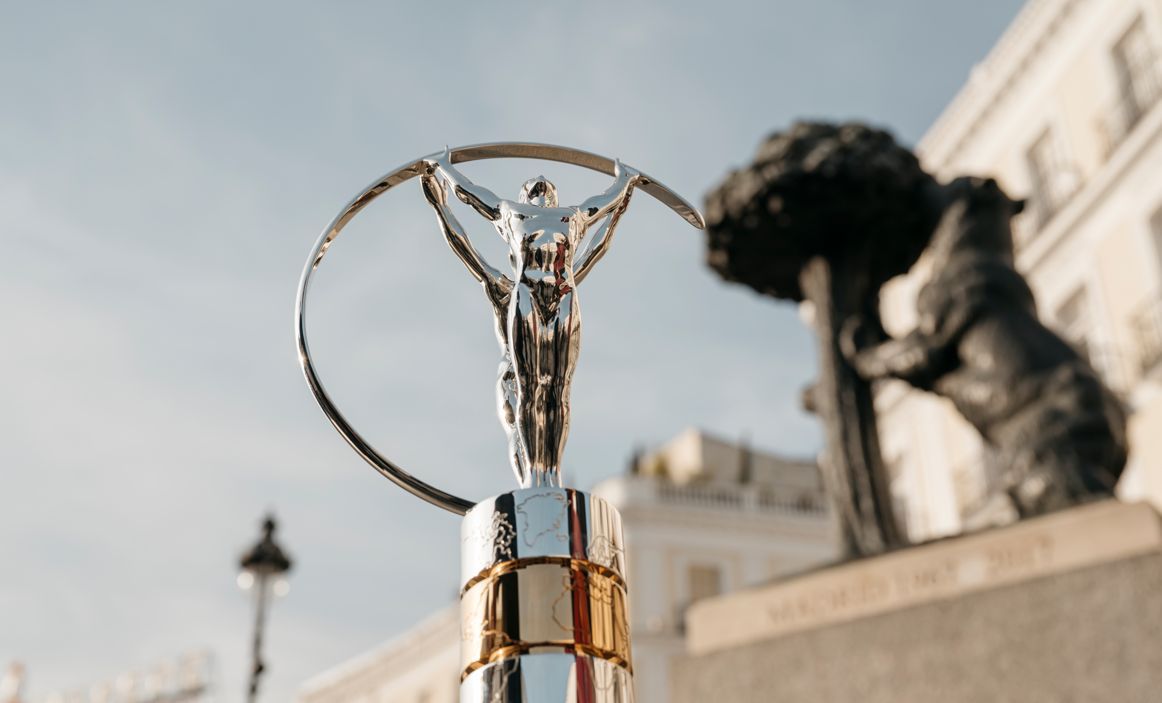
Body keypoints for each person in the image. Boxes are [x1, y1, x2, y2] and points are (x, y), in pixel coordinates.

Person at [422, 149, 638, 487]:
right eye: (532, 186)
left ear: (555, 198)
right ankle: (536, 475)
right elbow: (470, 200)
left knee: (558, 390)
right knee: (531, 390)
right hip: (527, 297)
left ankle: (551, 472)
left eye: (546, 186)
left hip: (563, 295)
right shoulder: (512, 214)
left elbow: (600, 227)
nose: (540, 187)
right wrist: (444, 175)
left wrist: (624, 187)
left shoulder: (572, 217)